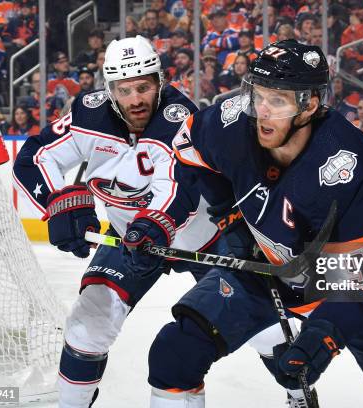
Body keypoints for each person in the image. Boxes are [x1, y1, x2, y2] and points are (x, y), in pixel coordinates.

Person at [124, 40, 363, 408]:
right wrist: (230, 216)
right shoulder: (232, 122)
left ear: (309, 106)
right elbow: (189, 150)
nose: (263, 112)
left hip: (349, 278)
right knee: (174, 354)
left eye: (279, 100)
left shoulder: (345, 163)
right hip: (264, 266)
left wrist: (324, 335)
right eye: (259, 95)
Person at [12, 35, 222, 408]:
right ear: (110, 90)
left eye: (144, 87)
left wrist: (153, 226)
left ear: (160, 81)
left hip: (202, 238)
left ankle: (296, 392)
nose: (136, 99)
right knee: (85, 326)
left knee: (263, 328)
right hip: (128, 237)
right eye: (125, 90)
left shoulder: (181, 118)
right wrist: (60, 203)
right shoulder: (88, 115)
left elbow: (177, 188)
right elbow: (35, 158)